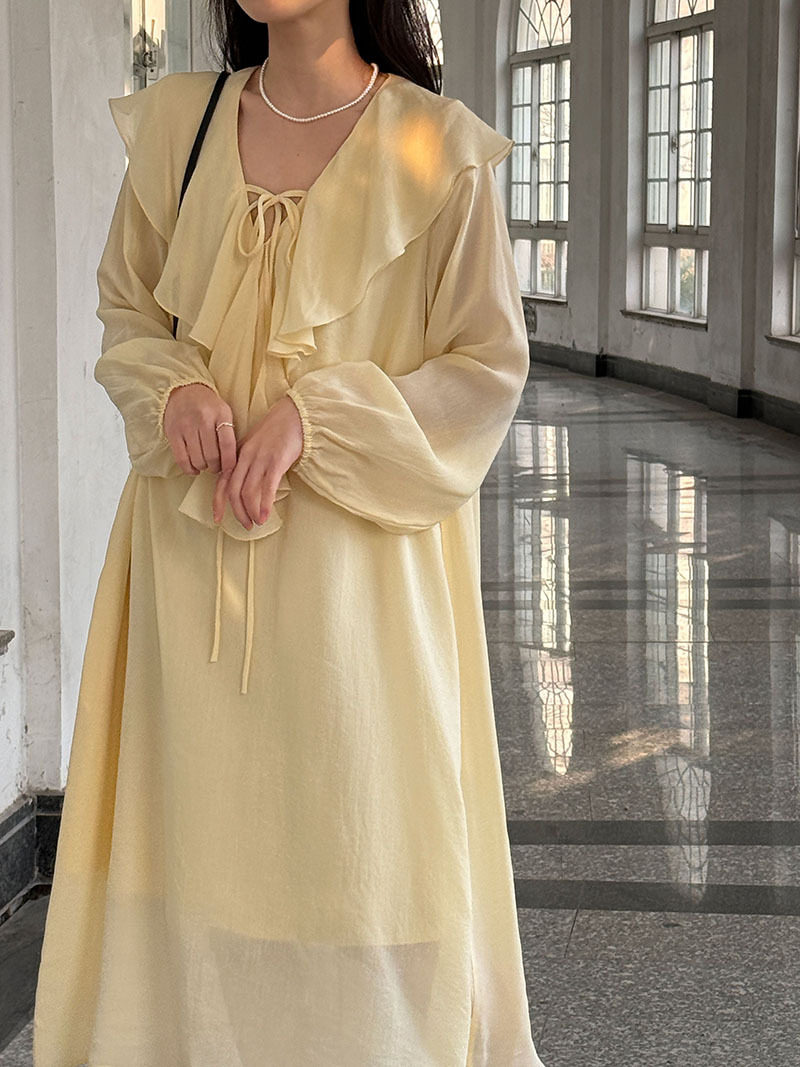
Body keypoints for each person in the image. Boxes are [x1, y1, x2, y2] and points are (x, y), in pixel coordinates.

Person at [32, 1, 546, 1064]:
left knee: (363, 851)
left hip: (359, 595)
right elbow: (128, 312)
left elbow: (486, 367)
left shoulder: (434, 148)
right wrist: (172, 385)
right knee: (195, 856)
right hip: (187, 570)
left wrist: (322, 417)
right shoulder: (177, 130)